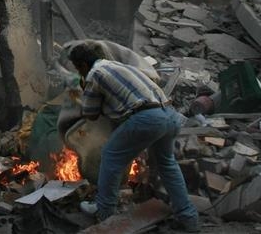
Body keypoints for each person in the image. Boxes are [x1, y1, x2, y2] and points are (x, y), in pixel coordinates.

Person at [68, 43, 199, 232]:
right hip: (169, 115)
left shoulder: (94, 73)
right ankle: (189, 217)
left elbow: (90, 114)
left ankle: (104, 213)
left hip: (148, 118)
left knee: (110, 156)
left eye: (77, 68)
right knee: (167, 164)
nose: (78, 71)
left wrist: (83, 94)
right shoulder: (117, 66)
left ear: (82, 64)